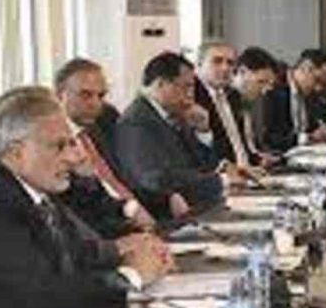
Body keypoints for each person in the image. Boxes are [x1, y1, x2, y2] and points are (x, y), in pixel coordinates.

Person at [0, 87, 172, 308]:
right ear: (18, 152)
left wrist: (126, 250)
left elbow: (72, 253)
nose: (73, 158)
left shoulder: (29, 188)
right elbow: (41, 299)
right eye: (59, 146)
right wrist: (130, 276)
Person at [115, 52, 237, 213]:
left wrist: (203, 131)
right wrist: (221, 180)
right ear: (160, 84)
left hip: (200, 204)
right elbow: (155, 180)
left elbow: (204, 166)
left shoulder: (175, 114)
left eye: (192, 87)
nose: (190, 95)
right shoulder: (136, 122)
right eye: (186, 87)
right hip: (168, 215)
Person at [54, 59, 159, 236]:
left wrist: (166, 198)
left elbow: (122, 181)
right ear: (59, 95)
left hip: (137, 218)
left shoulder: (102, 124)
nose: (95, 104)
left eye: (101, 96)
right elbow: (80, 213)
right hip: (106, 231)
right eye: (85, 95)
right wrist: (130, 222)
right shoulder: (53, 143)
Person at [193, 41, 263, 169]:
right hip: (218, 174)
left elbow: (238, 142)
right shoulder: (192, 96)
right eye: (217, 61)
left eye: (230, 63)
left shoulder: (233, 96)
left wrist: (257, 161)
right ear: (199, 64)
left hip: (248, 172)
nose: (225, 68)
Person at [261, 56, 326, 152]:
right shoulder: (275, 94)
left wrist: (321, 130)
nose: (317, 88)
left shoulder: (309, 97)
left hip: (305, 150)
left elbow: (309, 126)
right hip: (282, 152)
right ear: (302, 72)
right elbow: (270, 137)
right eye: (316, 80)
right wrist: (307, 138)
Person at [231, 46, 278, 156]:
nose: (265, 91)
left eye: (269, 84)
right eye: (261, 82)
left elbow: (257, 143)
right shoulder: (224, 101)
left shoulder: (256, 100)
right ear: (242, 72)